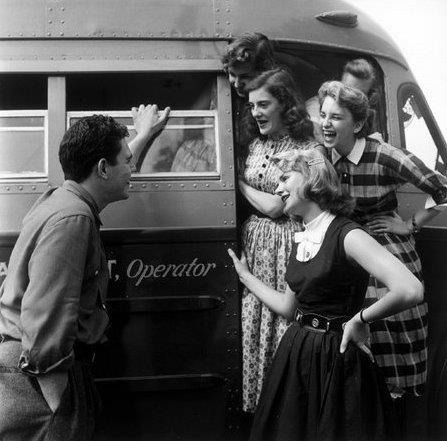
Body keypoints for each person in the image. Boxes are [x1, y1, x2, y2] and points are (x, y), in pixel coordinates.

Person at [228, 147, 424, 441]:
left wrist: (360, 319)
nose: (278, 188)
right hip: (298, 354)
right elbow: (288, 307)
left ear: (311, 179)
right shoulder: (302, 237)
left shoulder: (348, 234)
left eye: (284, 178)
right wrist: (246, 277)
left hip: (338, 361)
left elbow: (410, 289)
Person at [0, 110, 164, 440]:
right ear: (103, 168)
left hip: (28, 369)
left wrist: (142, 135)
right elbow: (48, 312)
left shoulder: (60, 200)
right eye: (127, 162)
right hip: (42, 378)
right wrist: (56, 397)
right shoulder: (75, 219)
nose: (132, 170)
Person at [318, 80, 447, 402]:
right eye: (323, 115)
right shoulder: (322, 157)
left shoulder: (384, 155)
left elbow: (442, 187)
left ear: (358, 123)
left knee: (392, 338)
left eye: (336, 117)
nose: (325, 123)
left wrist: (410, 224)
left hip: (388, 255)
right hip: (347, 254)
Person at [237, 67, 317, 413]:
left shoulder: (306, 149)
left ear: (285, 104)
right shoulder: (256, 144)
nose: (256, 113)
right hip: (256, 244)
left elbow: (274, 206)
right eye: (252, 105)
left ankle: (284, 413)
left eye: (264, 104)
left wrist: (239, 185)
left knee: (283, 319)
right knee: (255, 317)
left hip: (287, 243)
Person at [306, 58, 380, 140]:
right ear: (339, 83)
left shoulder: (367, 115)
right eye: (347, 89)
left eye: (359, 94)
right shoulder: (315, 108)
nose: (352, 97)